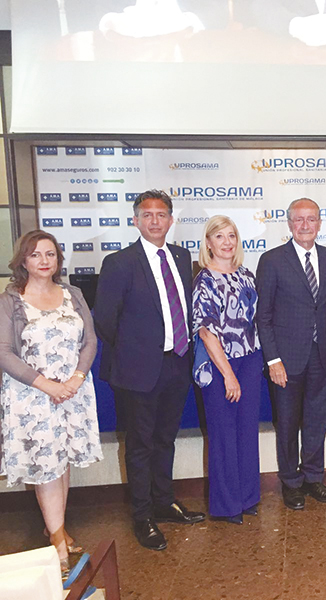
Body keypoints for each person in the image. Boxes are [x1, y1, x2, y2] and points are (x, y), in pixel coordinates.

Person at [94, 189, 205, 552]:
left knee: (165, 440)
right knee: (140, 445)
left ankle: (164, 502)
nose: (155, 221)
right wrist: (137, 351)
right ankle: (142, 516)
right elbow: (105, 320)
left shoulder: (182, 256)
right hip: (138, 370)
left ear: (171, 220)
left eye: (161, 215)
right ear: (135, 220)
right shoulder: (119, 262)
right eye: (147, 215)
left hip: (177, 363)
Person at [0, 230, 102, 573]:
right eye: (35, 255)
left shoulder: (73, 294)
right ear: (23, 260)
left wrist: (75, 379)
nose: (44, 261)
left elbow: (90, 341)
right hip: (32, 396)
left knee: (62, 460)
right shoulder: (10, 300)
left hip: (72, 392)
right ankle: (58, 542)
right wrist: (48, 386)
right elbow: (4, 352)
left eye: (50, 254)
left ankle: (55, 527)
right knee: (46, 465)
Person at [256, 198, 326, 510]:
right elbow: (263, 316)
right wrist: (273, 360)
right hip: (286, 359)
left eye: (311, 219)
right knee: (288, 422)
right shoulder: (272, 260)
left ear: (319, 223)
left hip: (322, 356)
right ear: (290, 223)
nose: (305, 225)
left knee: (317, 420)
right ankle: (291, 482)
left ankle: (313, 478)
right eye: (299, 219)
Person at [192, 216, 261, 524]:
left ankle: (248, 497)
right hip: (219, 364)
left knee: (247, 431)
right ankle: (227, 505)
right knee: (223, 435)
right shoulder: (204, 279)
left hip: (250, 360)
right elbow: (206, 333)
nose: (226, 242)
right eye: (219, 236)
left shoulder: (246, 275)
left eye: (231, 235)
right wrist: (228, 375)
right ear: (208, 243)